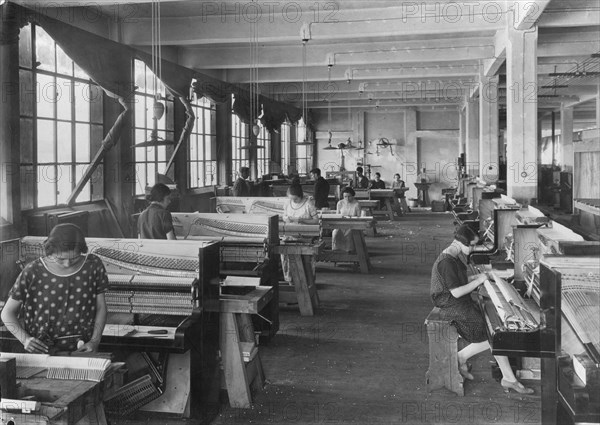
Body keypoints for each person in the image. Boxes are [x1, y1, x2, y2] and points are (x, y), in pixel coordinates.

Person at [430, 224, 534, 394]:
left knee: (496, 330)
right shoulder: (447, 262)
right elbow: (456, 292)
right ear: (459, 242)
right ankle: (461, 358)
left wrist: (478, 276)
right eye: (471, 245)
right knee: (494, 333)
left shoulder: (454, 255)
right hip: (451, 305)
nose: (472, 249)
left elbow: (459, 281)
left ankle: (507, 377)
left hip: (458, 302)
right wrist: (479, 281)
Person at [1, 224, 108, 354]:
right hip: (42, 351)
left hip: (83, 348)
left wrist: (95, 341)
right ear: (50, 251)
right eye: (61, 259)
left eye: (74, 258)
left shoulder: (93, 265)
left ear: (82, 250)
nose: (67, 263)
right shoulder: (32, 271)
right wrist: (25, 340)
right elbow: (7, 313)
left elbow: (101, 307)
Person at [280, 184, 319, 282]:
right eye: (291, 199)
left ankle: (306, 281)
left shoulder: (308, 204)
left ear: (300, 196)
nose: (293, 201)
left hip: (306, 236)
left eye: (295, 199)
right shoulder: (288, 203)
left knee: (305, 258)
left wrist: (301, 220)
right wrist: (286, 218)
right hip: (290, 234)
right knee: (286, 255)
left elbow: (316, 221)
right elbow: (284, 216)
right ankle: (290, 280)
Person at [332, 187, 362, 252]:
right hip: (341, 224)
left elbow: (359, 217)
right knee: (335, 232)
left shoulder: (356, 204)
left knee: (349, 233)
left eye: (349, 196)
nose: (347, 199)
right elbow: (338, 216)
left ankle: (349, 250)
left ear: (352, 196)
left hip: (353, 224)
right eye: (345, 196)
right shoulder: (340, 203)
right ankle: (337, 250)